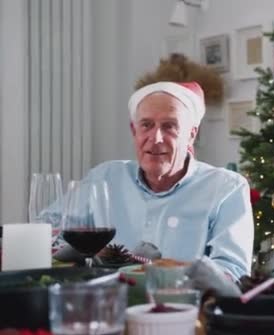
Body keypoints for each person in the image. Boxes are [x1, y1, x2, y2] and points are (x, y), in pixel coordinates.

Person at [43, 81, 254, 280]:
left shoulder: (227, 188)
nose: (156, 138)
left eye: (169, 126)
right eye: (146, 125)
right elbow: (48, 232)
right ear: (134, 131)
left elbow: (232, 272)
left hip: (181, 310)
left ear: (191, 135)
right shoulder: (104, 177)